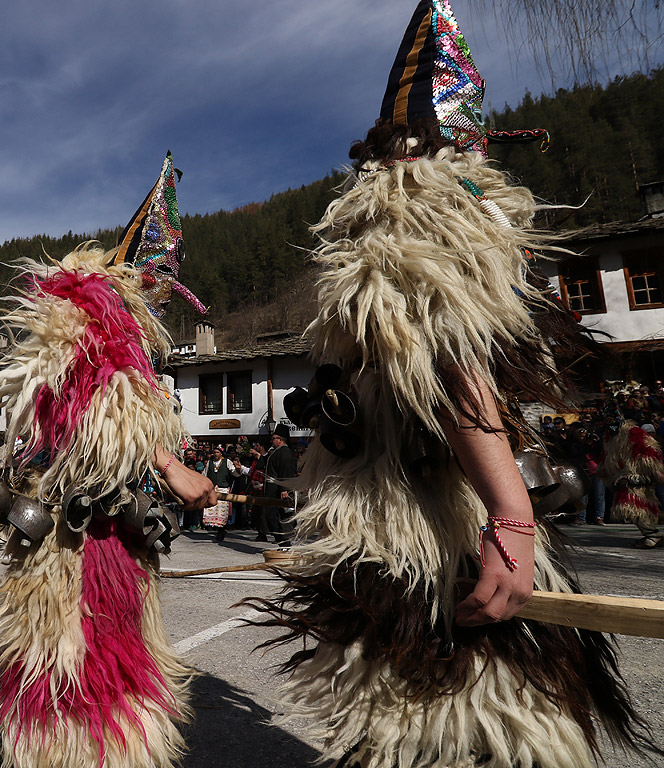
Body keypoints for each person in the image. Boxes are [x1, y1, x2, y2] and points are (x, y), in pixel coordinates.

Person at [243, 4, 654, 767]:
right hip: (425, 522)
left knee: (426, 718)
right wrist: (511, 514)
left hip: (395, 517)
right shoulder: (421, 206)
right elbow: (447, 359)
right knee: (478, 712)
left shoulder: (382, 220)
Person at [0, 153, 215, 768]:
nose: (158, 304)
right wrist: (170, 464)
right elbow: (91, 414)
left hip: (119, 542)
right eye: (152, 287)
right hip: (67, 542)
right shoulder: (86, 334)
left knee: (113, 668)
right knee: (58, 667)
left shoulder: (133, 365)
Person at [601, 420, 664, 548]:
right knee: (636, 508)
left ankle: (652, 535)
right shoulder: (618, 440)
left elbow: (652, 465)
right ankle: (652, 534)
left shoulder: (638, 438)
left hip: (640, 483)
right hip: (634, 481)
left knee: (635, 507)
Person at [262, 424, 297, 547]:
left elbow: (286, 472)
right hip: (273, 490)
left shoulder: (285, 453)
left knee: (281, 516)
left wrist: (284, 489)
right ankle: (282, 542)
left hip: (280, 490)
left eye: (273, 438)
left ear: (280, 439)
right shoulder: (277, 452)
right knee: (270, 515)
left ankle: (285, 543)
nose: (272, 441)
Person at [201, 445, 236, 541]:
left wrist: (238, 469)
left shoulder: (227, 462)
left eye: (217, 452)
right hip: (213, 489)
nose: (215, 454)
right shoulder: (209, 462)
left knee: (222, 511)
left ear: (221, 453)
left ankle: (222, 530)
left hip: (223, 489)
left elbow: (235, 472)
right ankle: (217, 529)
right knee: (212, 508)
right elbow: (204, 474)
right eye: (214, 452)